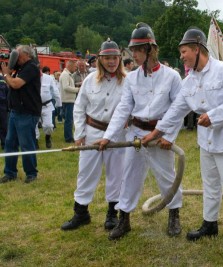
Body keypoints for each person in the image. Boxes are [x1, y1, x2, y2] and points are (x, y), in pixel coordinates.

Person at [141, 27, 223, 251]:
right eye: (181, 53)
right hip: (206, 141)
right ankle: (210, 224)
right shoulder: (189, 81)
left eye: (184, 51)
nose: (181, 56)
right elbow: (175, 111)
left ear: (198, 49)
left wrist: (214, 115)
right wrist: (154, 134)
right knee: (209, 184)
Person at [95, 23, 183, 240]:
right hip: (135, 133)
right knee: (129, 176)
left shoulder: (172, 76)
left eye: (137, 50)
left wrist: (169, 137)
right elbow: (123, 108)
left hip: (160, 135)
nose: (132, 54)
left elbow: (178, 110)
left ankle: (174, 216)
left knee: (166, 177)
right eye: (132, 50)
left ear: (150, 49)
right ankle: (124, 219)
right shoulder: (132, 78)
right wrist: (108, 137)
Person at [61, 39, 126, 231]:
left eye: (115, 58)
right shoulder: (89, 80)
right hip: (92, 132)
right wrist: (79, 133)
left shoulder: (128, 81)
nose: (111, 62)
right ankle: (81, 213)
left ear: (120, 59)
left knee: (116, 174)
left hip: (117, 135)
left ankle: (112, 214)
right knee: (86, 172)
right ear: (100, 59)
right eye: (107, 58)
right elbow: (79, 108)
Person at [0, 45, 41, 184]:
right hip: (15, 111)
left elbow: (15, 84)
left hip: (27, 112)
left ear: (25, 55)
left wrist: (6, 73)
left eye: (17, 55)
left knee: (26, 144)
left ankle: (31, 173)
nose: (15, 57)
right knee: (10, 143)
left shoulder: (31, 67)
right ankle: (10, 172)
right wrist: (9, 66)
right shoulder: (20, 68)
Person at [35, 69, 61, 148]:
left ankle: (48, 137)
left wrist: (59, 103)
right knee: (34, 125)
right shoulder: (30, 77)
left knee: (49, 125)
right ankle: (35, 140)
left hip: (47, 105)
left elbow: (55, 91)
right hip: (34, 106)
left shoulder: (48, 78)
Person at [59, 60, 79, 143]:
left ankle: (69, 136)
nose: (76, 68)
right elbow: (66, 87)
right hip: (68, 100)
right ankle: (68, 138)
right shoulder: (65, 75)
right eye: (75, 66)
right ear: (70, 66)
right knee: (69, 120)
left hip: (69, 100)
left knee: (69, 119)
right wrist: (77, 89)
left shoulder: (67, 75)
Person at [0, 75, 8, 149]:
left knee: (4, 126)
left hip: (2, 106)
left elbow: (7, 92)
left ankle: (4, 143)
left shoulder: (2, 79)